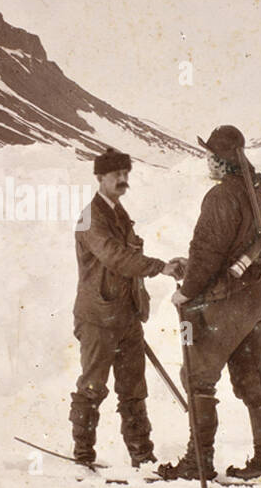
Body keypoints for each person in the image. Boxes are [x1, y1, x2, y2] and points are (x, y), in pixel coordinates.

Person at [158, 125, 261, 481]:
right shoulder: (259, 195)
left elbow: (207, 251)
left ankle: (198, 461)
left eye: (210, 155)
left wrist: (186, 289)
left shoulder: (220, 197)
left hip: (226, 302)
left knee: (198, 376)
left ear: (221, 160)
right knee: (254, 381)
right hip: (257, 298)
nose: (206, 160)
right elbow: (252, 244)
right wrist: (199, 266)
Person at [69, 148, 183, 466]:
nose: (122, 180)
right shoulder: (90, 218)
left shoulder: (119, 213)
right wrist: (160, 267)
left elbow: (128, 255)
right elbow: (116, 258)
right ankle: (83, 453)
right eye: (116, 174)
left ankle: (142, 455)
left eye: (125, 173)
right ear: (100, 177)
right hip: (98, 318)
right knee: (93, 386)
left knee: (134, 389)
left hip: (127, 316)